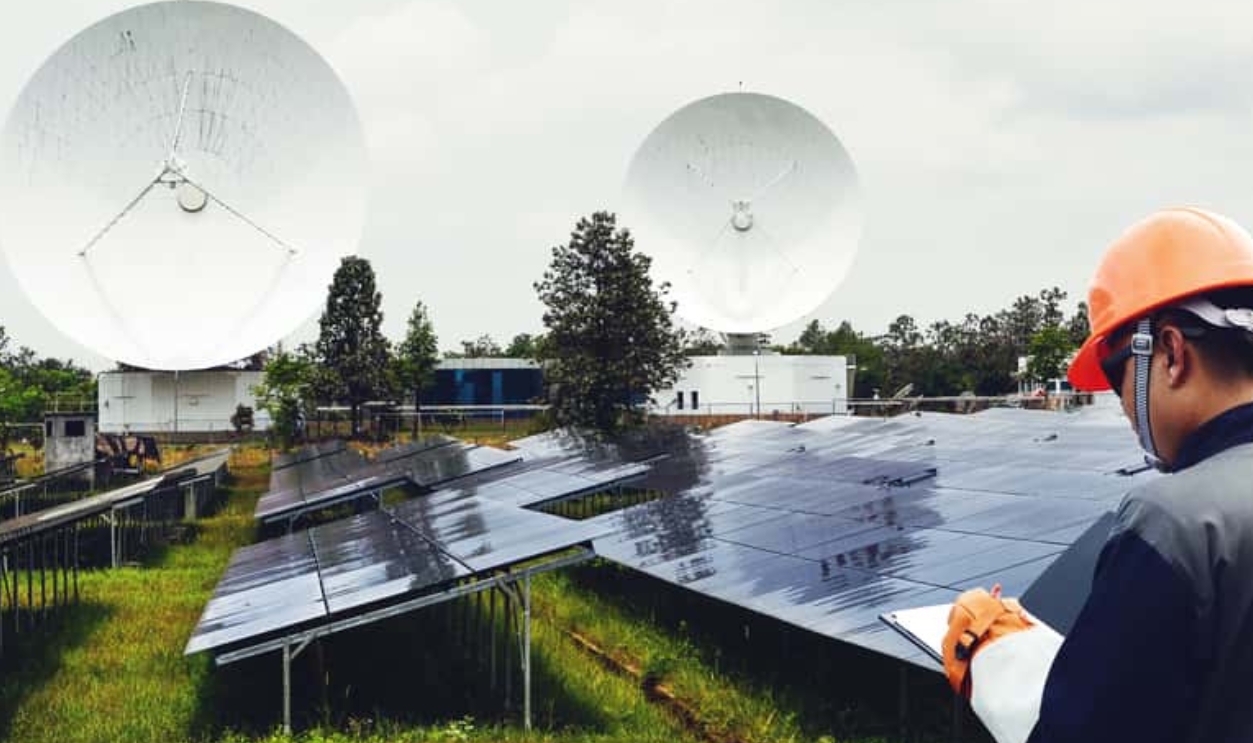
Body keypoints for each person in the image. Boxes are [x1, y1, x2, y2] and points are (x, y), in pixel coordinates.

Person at [941, 207, 1253, 743]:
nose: (1123, 406)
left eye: (1115, 374)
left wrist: (996, 662)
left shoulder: (1175, 524)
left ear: (1171, 352)